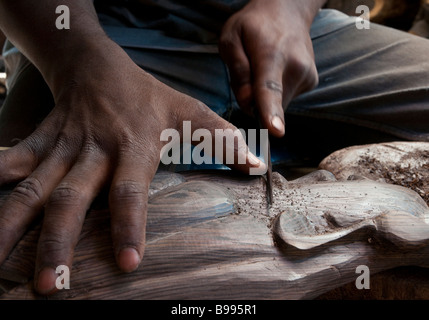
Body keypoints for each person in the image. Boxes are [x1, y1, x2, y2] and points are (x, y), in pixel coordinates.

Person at [0, 0, 428, 295]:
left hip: (288, 29)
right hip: (90, 33)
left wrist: (292, 9)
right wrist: (78, 60)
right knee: (33, 217)